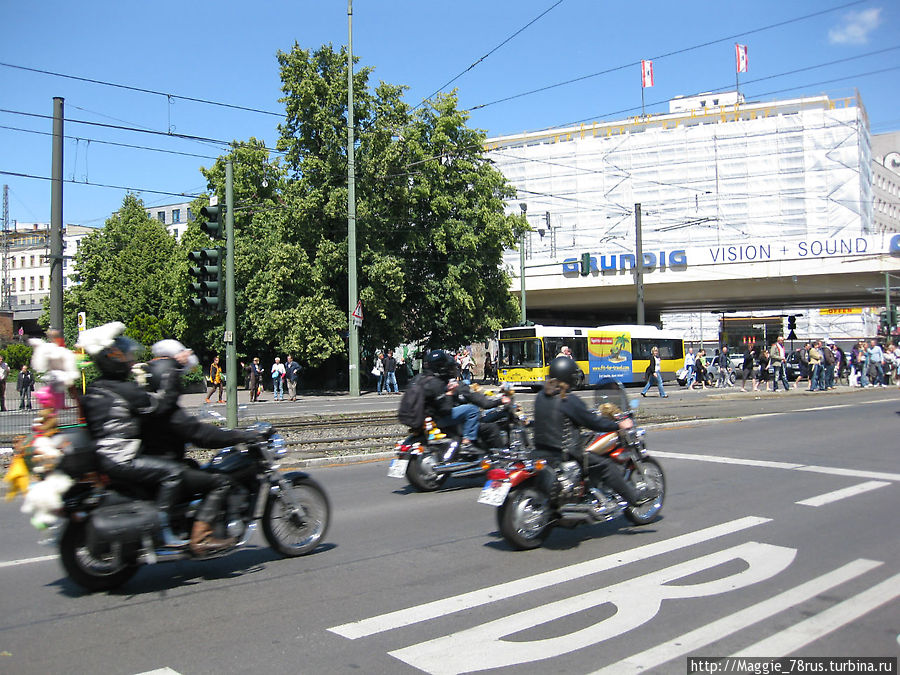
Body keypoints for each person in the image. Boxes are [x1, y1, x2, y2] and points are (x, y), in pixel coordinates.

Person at [141, 340, 263, 555]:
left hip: (159, 465)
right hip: (168, 467)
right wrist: (241, 435)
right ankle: (202, 537)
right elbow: (203, 436)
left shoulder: (149, 406)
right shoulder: (169, 413)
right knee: (221, 482)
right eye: (175, 381)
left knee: (195, 466)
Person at [76, 322, 186, 547]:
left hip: (103, 457)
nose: (130, 361)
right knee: (174, 473)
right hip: (121, 458)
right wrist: (172, 372)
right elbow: (161, 406)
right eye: (126, 357)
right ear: (113, 359)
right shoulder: (125, 390)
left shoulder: (96, 388)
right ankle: (163, 531)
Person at [532, 357, 657, 507]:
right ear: (567, 376)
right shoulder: (568, 399)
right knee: (606, 466)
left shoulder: (541, 396)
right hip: (567, 453)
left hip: (542, 451)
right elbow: (594, 422)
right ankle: (635, 497)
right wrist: (618, 425)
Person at [420, 349, 481, 450]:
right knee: (472, 410)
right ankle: (467, 443)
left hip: (427, 417)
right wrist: (450, 393)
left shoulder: (423, 379)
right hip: (438, 418)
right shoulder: (439, 382)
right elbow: (445, 409)